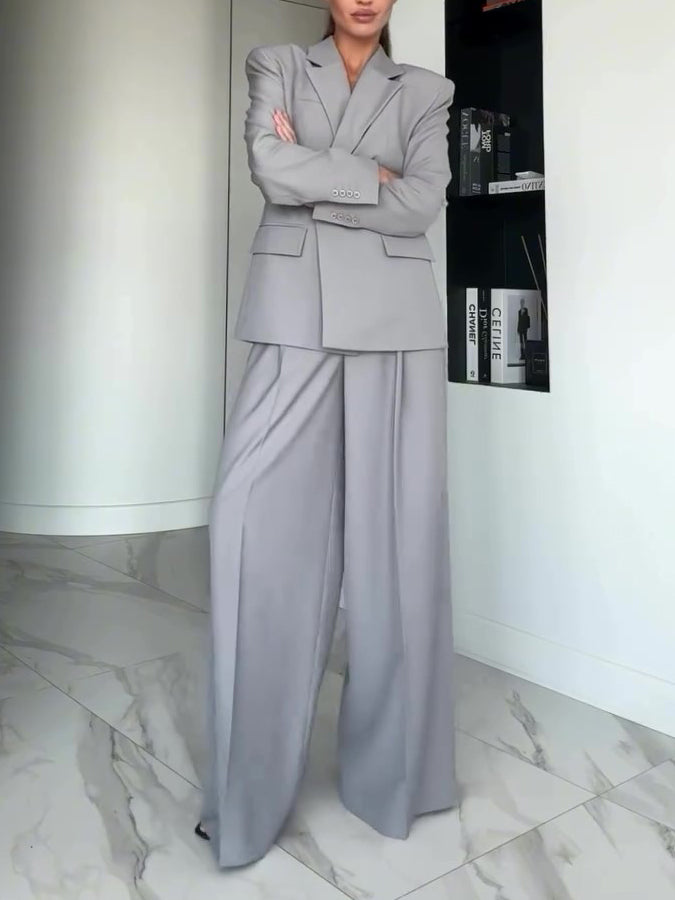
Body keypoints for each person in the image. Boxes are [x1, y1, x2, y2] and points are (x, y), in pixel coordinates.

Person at [198, 0, 458, 868]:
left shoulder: (425, 89)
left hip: (396, 323)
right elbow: (269, 169)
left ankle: (393, 780)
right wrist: (368, 177)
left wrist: (320, 176)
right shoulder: (275, 63)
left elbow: (421, 202)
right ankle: (243, 795)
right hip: (293, 314)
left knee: (399, 552)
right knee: (249, 529)